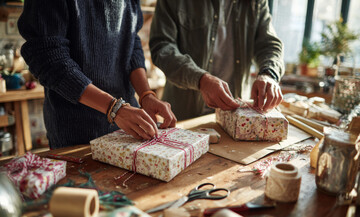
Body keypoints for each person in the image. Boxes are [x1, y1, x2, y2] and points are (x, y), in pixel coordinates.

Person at [17, 0, 176, 149]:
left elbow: (131, 44)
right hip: (76, 135)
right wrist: (114, 109)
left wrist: (146, 95)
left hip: (129, 130)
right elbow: (48, 57)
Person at [150, 0, 284, 120]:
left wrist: (269, 74)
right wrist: (201, 79)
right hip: (185, 116)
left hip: (238, 117)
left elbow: (269, 45)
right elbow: (162, 48)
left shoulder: (257, 2)